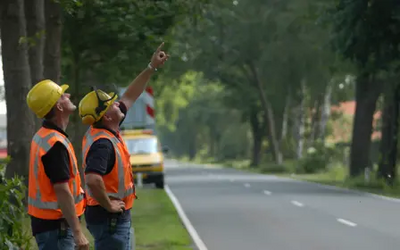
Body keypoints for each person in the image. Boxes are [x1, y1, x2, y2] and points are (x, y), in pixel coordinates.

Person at [78, 42, 169, 250]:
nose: (118, 102)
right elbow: (92, 179)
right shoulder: (103, 143)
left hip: (112, 219)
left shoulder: (107, 128)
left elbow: (131, 95)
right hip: (110, 220)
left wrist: (151, 67)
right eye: (111, 103)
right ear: (107, 115)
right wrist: (108, 204)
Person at [26, 79, 90, 250]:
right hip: (57, 229)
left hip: (51, 227)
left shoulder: (44, 136)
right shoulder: (55, 144)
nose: (68, 95)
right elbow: (62, 190)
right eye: (62, 95)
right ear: (59, 108)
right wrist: (78, 232)